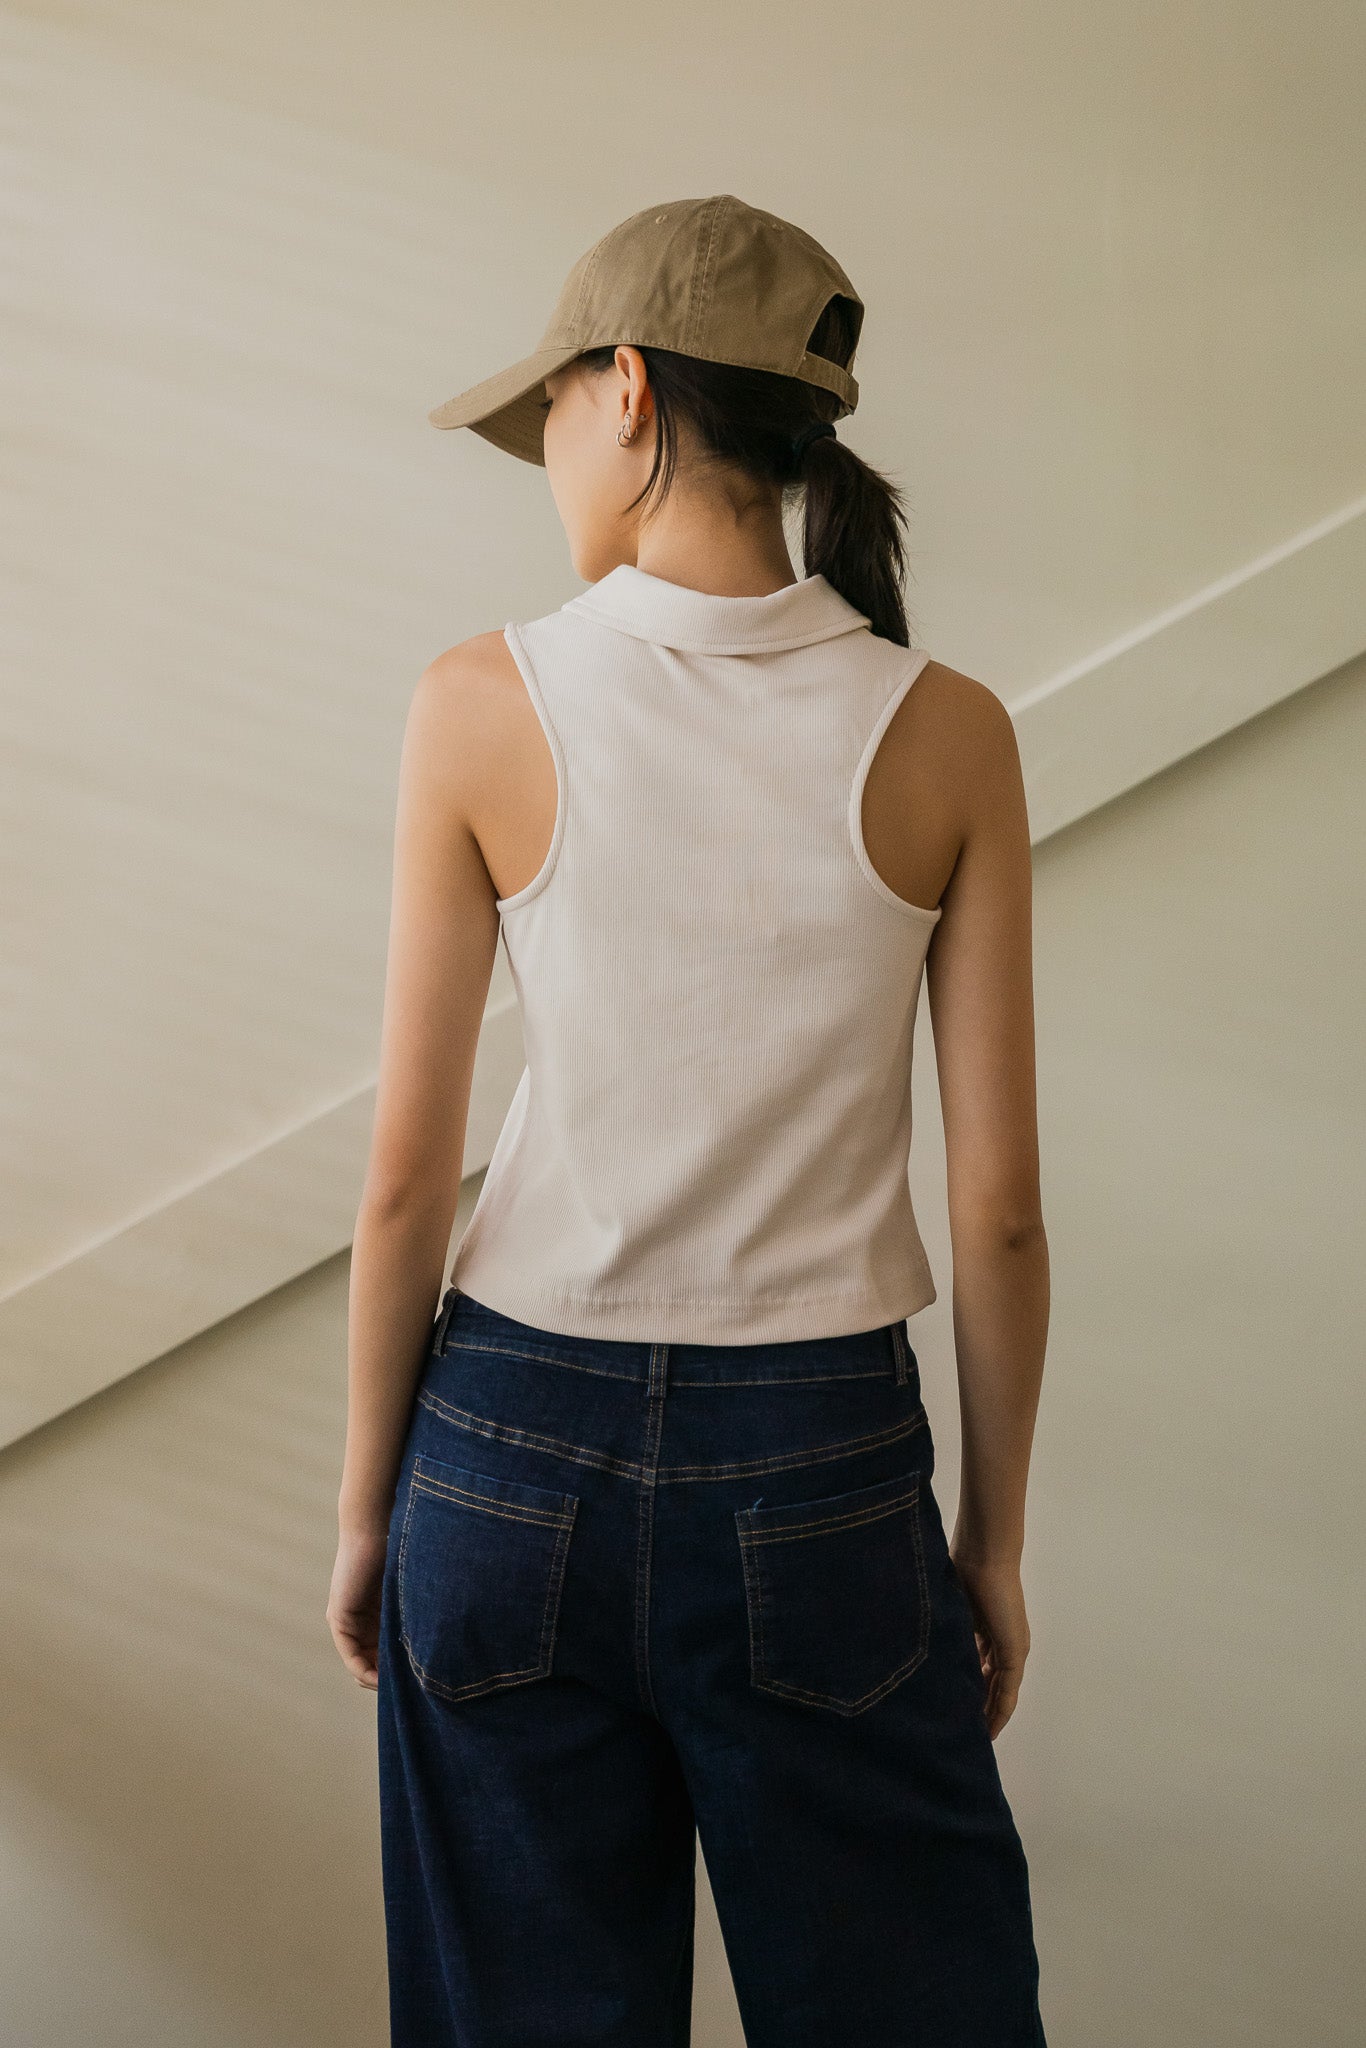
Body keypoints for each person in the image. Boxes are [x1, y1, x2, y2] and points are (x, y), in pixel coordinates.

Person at [327, 193, 1049, 2047]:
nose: (547, 458)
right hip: (820, 1469)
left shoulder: (481, 699)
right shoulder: (946, 727)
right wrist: (989, 1545)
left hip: (500, 1457)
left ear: (627, 395)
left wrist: (364, 1513)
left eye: (551, 413)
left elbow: (408, 1173)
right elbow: (998, 1222)